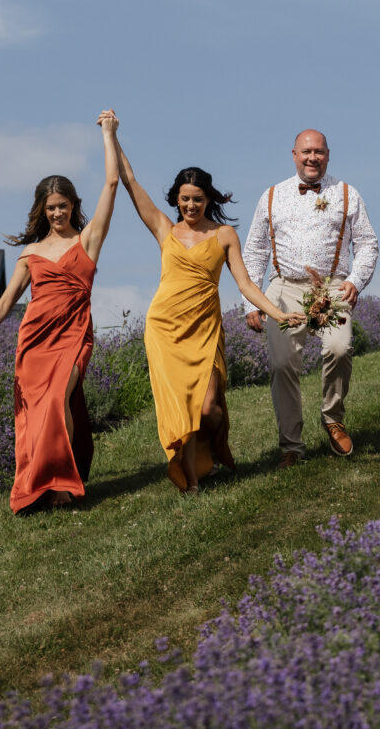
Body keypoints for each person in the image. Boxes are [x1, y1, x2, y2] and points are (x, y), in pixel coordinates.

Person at [117, 144, 303, 493]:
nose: (190, 205)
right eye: (185, 199)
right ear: (176, 199)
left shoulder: (224, 235)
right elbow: (130, 182)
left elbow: (246, 283)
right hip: (165, 329)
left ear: (208, 199)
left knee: (209, 408)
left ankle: (213, 449)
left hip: (204, 329)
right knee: (181, 408)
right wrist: (111, 135)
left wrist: (278, 314)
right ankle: (190, 481)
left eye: (197, 199)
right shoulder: (164, 229)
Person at [0, 110, 121, 513]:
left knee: (59, 402)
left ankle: (64, 484)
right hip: (35, 342)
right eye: (50, 208)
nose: (57, 213)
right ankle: (42, 485)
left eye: (63, 206)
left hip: (74, 336)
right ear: (41, 210)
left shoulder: (88, 240)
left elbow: (111, 183)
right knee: (36, 417)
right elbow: (6, 302)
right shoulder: (32, 253)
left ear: (74, 206)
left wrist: (108, 134)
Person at [242, 129, 380, 466]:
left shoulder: (348, 193)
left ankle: (332, 418)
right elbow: (255, 250)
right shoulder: (271, 196)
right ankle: (292, 444)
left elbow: (367, 243)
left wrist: (356, 281)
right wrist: (252, 302)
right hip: (284, 286)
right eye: (306, 152)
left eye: (318, 152)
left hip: (331, 286)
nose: (312, 158)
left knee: (339, 347)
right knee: (281, 363)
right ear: (293, 154)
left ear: (328, 155)